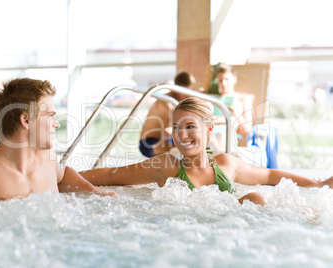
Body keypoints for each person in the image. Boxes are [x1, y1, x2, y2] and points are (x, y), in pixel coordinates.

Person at [80, 97, 333, 206]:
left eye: (190, 127)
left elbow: (268, 176)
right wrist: (64, 177)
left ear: (209, 128)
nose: (181, 135)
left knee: (257, 198)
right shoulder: (167, 165)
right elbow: (112, 174)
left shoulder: (226, 164)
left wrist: (318, 183)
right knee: (256, 198)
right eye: (177, 127)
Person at [0, 78, 116, 200]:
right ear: (26, 120)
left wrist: (95, 193)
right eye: (51, 115)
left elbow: (64, 173)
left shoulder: (46, 160)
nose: (56, 124)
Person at [139, 71, 197, 157]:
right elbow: (181, 121)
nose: (187, 95)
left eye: (190, 90)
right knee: (180, 148)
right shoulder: (166, 101)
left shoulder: (181, 101)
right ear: (177, 89)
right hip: (148, 142)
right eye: (184, 91)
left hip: (167, 139)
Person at [211, 63, 253, 147]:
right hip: (210, 134)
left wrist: (237, 115)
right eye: (220, 80)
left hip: (226, 139)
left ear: (234, 79)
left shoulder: (242, 100)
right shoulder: (212, 98)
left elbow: (247, 133)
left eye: (227, 79)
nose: (223, 83)